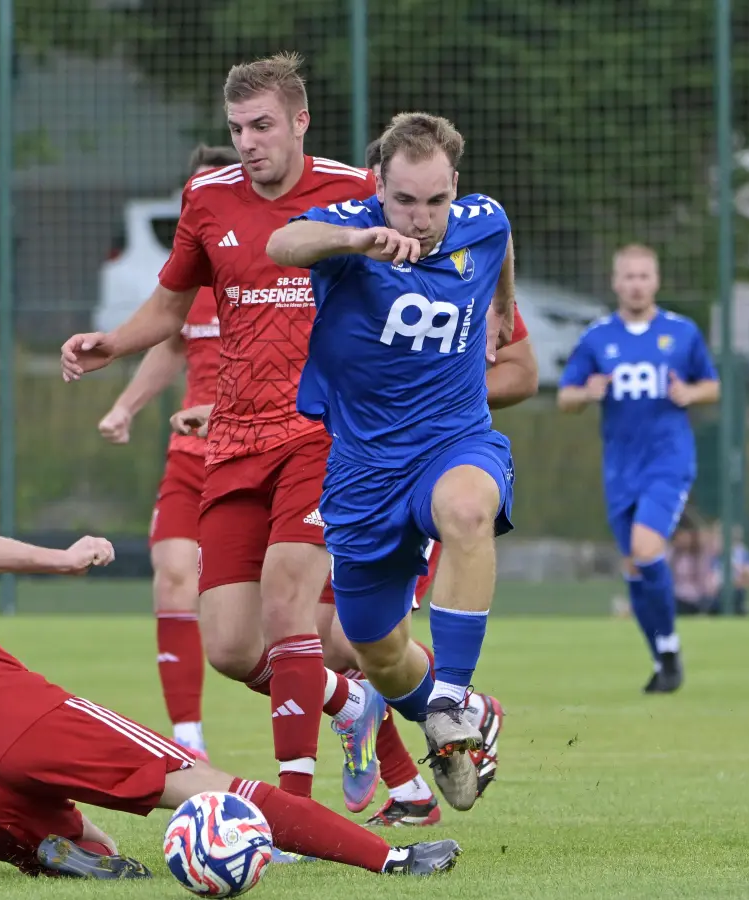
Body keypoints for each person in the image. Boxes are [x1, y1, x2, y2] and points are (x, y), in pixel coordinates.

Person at [0, 474, 460, 880]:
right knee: (213, 786)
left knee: (101, 855)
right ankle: (390, 862)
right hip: (25, 724)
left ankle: (63, 847)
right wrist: (61, 559)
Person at [59, 52, 385, 806]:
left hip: (324, 429)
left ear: (300, 121)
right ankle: (351, 702)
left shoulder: (355, 193)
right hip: (234, 439)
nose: (247, 141)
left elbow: (425, 260)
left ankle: (297, 811)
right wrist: (111, 344)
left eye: (262, 125)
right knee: (233, 647)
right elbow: (170, 308)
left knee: (286, 604)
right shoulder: (206, 197)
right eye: (237, 127)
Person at [265, 111, 515, 814]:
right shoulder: (351, 232)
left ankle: (457, 705)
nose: (421, 216)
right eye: (405, 199)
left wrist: (503, 306)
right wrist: (357, 240)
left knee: (468, 508)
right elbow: (284, 242)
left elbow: (500, 235)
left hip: (454, 441)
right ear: (380, 186)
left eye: (436, 200)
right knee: (370, 647)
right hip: (365, 469)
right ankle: (448, 711)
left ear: (454, 187)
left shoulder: (480, 221)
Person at [95, 143, 240, 759]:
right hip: (189, 459)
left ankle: (349, 713)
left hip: (260, 458)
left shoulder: (271, 272)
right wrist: (125, 407)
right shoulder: (186, 283)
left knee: (271, 627)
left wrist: (225, 413)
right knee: (173, 579)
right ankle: (189, 740)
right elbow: (171, 347)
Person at [556, 244, 720, 693]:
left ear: (656, 281)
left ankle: (668, 647)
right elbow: (564, 397)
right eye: (627, 276)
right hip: (620, 469)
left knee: (648, 549)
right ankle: (663, 655)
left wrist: (690, 393)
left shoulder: (681, 333)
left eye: (643, 276)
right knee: (633, 567)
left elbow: (712, 385)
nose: (635, 284)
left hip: (668, 461)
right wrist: (587, 392)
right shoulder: (597, 337)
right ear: (615, 282)